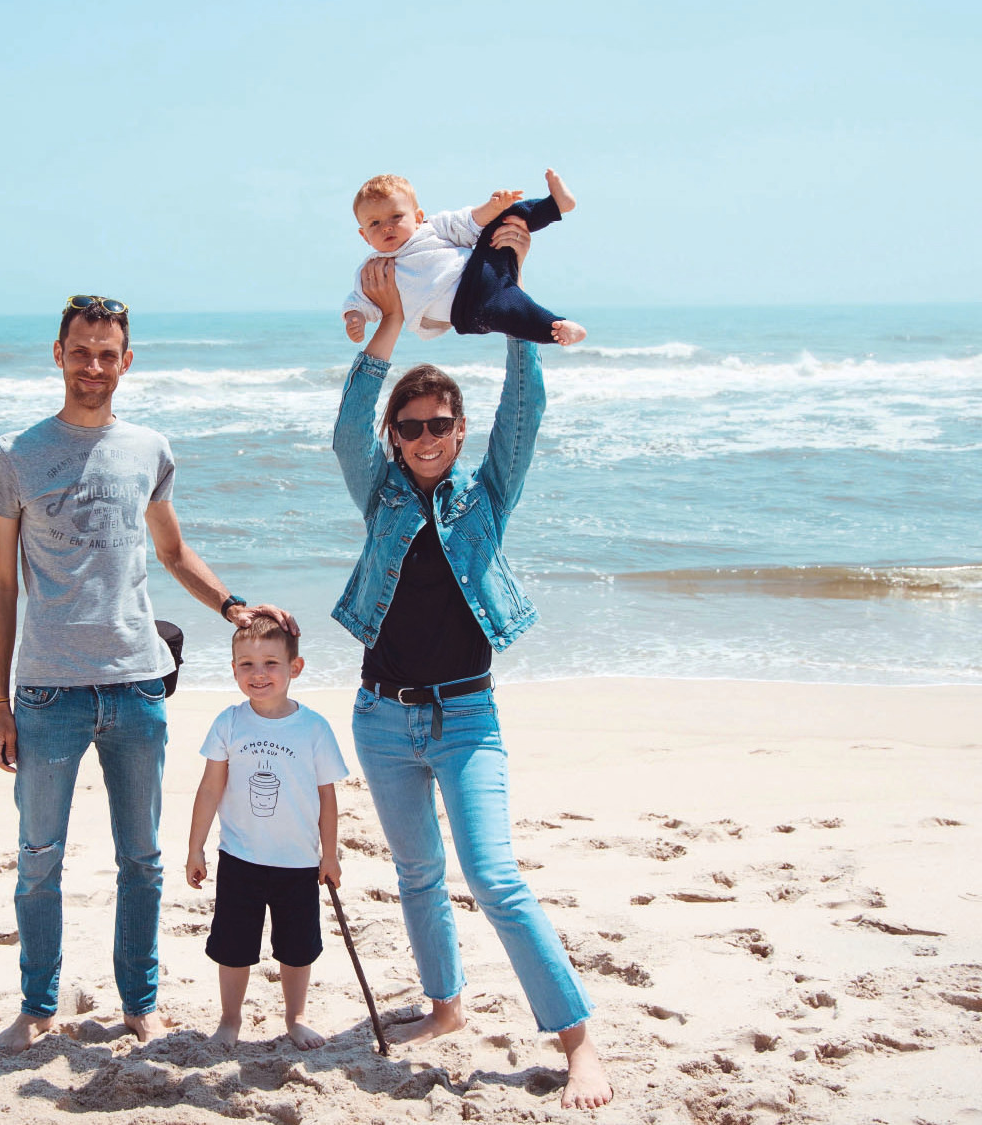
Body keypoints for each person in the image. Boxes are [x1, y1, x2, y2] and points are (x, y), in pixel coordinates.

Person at [330, 227, 613, 1110]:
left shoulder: (485, 495)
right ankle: (445, 1006)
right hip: (380, 717)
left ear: (458, 429)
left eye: (440, 424)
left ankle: (578, 1043)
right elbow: (347, 429)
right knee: (417, 874)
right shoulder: (376, 489)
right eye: (410, 426)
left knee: (494, 878)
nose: (425, 436)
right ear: (397, 433)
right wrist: (385, 324)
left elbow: (523, 417)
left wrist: (516, 310)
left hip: (465, 718)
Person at [0, 294, 294, 1053]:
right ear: (58, 354)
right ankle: (35, 1004)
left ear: (127, 359)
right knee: (38, 858)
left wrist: (235, 606)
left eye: (107, 352)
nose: (94, 365)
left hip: (138, 685)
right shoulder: (13, 454)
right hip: (47, 690)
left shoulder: (149, 448)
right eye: (81, 350)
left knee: (143, 860)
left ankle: (140, 1002)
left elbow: (176, 553)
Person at [183, 616, 347, 1050]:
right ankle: (230, 1020)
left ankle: (295, 1018)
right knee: (233, 947)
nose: (258, 674)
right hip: (239, 857)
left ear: (295, 667)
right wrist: (195, 847)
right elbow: (209, 787)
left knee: (297, 948)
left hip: (298, 861)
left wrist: (329, 855)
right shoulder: (229, 723)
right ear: (233, 669)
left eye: (271, 663)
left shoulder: (313, 728)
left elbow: (327, 798)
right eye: (246, 664)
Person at [341, 170, 587, 348]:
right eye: (375, 223)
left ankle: (555, 206)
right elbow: (359, 300)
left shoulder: (432, 228)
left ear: (417, 217)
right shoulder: (375, 269)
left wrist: (493, 206)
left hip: (481, 266)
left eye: (396, 216)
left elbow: (470, 221)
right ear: (364, 235)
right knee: (514, 313)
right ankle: (556, 326)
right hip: (469, 308)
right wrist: (356, 317)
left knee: (503, 220)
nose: (386, 227)